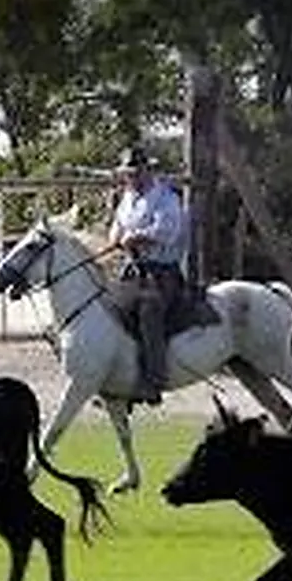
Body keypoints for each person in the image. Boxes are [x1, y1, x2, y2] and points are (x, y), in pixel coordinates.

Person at [108, 145, 187, 404]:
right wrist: (116, 238)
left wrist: (139, 236)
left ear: (147, 171)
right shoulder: (127, 199)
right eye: (127, 173)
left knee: (148, 311)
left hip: (162, 272)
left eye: (135, 172)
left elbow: (167, 232)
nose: (130, 178)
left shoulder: (166, 198)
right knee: (108, 307)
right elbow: (117, 228)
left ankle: (153, 382)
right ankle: (119, 378)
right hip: (132, 270)